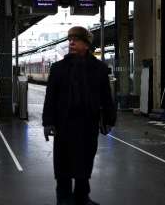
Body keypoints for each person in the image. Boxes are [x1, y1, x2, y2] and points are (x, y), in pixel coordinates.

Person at [42, 27, 116, 205]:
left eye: (76, 39)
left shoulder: (99, 69)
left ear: (86, 44)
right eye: (70, 39)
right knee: (63, 166)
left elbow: (106, 98)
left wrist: (108, 120)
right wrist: (48, 122)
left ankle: (82, 197)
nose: (71, 42)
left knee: (85, 162)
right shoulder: (58, 69)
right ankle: (64, 198)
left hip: (87, 125)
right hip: (64, 125)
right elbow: (50, 98)